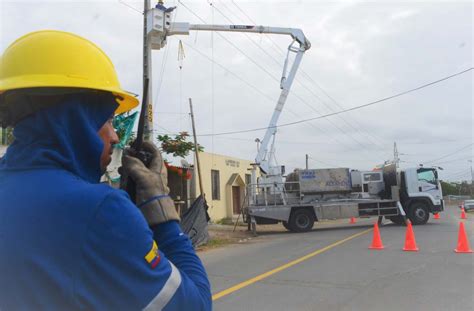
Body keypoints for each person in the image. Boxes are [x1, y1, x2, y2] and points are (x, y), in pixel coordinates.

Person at [0, 30, 211, 310]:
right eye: (108, 120)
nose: (114, 137)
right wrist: (162, 212)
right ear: (77, 118)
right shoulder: (100, 209)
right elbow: (195, 305)